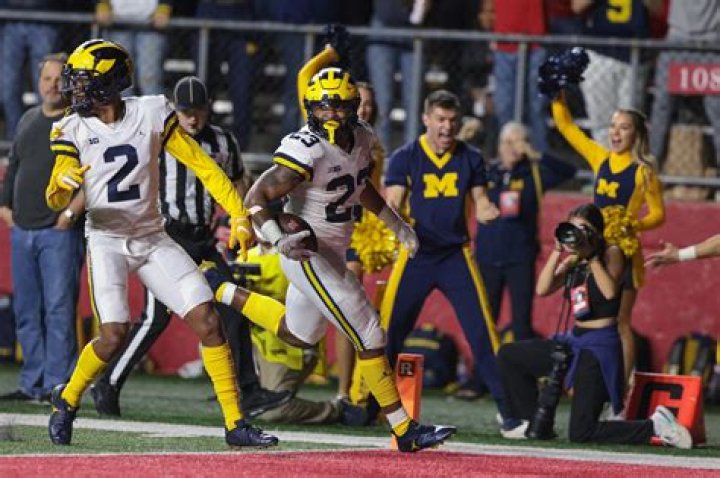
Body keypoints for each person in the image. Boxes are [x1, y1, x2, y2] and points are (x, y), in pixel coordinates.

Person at [44, 39, 276, 448]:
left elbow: (204, 166)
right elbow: (55, 197)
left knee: (208, 320)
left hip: (152, 236)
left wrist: (239, 213)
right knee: (113, 334)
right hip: (107, 240)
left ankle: (235, 423)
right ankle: (67, 399)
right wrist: (60, 187)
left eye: (84, 81)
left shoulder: (151, 111)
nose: (75, 89)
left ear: (110, 83)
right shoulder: (70, 127)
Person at [240, 65, 456, 452]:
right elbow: (255, 197)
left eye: (341, 106)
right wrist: (277, 238)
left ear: (354, 107)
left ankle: (222, 291)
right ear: (310, 108)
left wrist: (397, 224)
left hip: (335, 250)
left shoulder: (362, 136)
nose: (333, 115)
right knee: (370, 332)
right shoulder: (305, 148)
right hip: (307, 250)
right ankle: (404, 430)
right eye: (325, 107)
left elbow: (360, 187)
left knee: (301, 334)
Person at [88, 75, 291, 418]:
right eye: (185, 112)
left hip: (203, 237)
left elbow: (238, 182)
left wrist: (242, 221)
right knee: (156, 316)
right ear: (174, 110)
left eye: (198, 111)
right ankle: (108, 382)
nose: (192, 118)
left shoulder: (224, 141)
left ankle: (249, 391)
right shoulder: (159, 136)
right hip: (166, 234)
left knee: (232, 308)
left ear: (209, 108)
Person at [497, 203, 691, 448]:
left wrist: (591, 257)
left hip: (599, 348)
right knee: (510, 355)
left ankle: (655, 425)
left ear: (596, 232)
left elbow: (609, 292)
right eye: (572, 228)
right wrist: (558, 252)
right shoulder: (574, 260)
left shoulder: (612, 253)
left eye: (583, 229)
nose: (576, 235)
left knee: (582, 432)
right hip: (573, 341)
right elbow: (543, 289)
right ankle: (531, 421)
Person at [381, 89, 514, 427]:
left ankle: (510, 413)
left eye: (452, 120)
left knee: (482, 331)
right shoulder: (405, 156)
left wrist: (486, 210)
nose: (446, 127)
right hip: (415, 254)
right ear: (426, 119)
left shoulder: (470, 158)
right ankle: (369, 406)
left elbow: (480, 200)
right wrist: (393, 214)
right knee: (390, 330)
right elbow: (393, 200)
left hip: (456, 255)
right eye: (440, 119)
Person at [294, 36, 386, 402]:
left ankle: (348, 389)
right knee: (324, 314)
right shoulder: (317, 132)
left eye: (365, 103)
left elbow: (370, 192)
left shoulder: (369, 141)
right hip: (320, 228)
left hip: (358, 226)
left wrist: (394, 225)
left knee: (355, 310)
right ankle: (334, 383)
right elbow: (305, 78)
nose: (338, 110)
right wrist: (330, 53)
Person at [552, 89, 665, 384]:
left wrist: (633, 224)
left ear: (635, 135)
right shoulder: (600, 158)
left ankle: (620, 392)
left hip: (623, 252)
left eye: (624, 128)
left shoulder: (643, 172)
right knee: (587, 317)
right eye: (613, 126)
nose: (615, 133)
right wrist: (557, 96)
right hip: (593, 249)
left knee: (621, 323)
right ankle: (586, 382)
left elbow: (658, 214)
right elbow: (567, 127)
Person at [0, 53, 84, 403]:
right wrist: (5, 207)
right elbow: (14, 166)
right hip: (23, 231)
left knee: (59, 310)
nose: (51, 85)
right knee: (26, 311)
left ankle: (57, 385)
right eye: (46, 78)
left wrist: (70, 214)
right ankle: (31, 383)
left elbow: (93, 174)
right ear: (38, 82)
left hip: (58, 233)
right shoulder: (28, 119)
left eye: (58, 79)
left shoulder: (78, 123)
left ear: (69, 83)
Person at [212, 243, 367, 426]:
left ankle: (336, 410)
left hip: (287, 344)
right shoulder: (245, 255)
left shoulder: (299, 256)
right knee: (213, 336)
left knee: (272, 411)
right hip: (256, 340)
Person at [476, 122, 577, 341]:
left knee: (521, 322)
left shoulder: (534, 175)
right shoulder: (487, 173)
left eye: (518, 142)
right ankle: (483, 364)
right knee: (484, 321)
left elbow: (569, 171)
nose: (512, 148)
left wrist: (535, 154)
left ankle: (520, 363)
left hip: (520, 259)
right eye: (507, 142)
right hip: (487, 258)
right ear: (499, 145)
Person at [572, 0, 660, 147]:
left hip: (634, 55)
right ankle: (605, 160)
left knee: (630, 122)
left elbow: (658, 9)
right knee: (602, 124)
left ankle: (625, 160)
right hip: (600, 53)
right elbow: (577, 6)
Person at [648, 0, 720, 170]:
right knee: (662, 108)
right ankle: (649, 169)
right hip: (677, 39)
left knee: (717, 110)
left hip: (711, 41)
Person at [479, 0, 548, 152]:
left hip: (535, 43)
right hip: (504, 43)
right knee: (504, 106)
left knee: (536, 107)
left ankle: (539, 159)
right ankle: (508, 155)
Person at [1, 0, 60, 139]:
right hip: (9, 18)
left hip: (45, 17)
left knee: (48, 89)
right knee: (7, 90)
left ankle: (44, 141)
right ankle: (15, 142)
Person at [95, 0, 171, 96]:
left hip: (151, 25)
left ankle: (154, 105)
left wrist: (164, 7)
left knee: (149, 79)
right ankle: (125, 106)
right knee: (120, 79)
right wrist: (102, 4)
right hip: (117, 24)